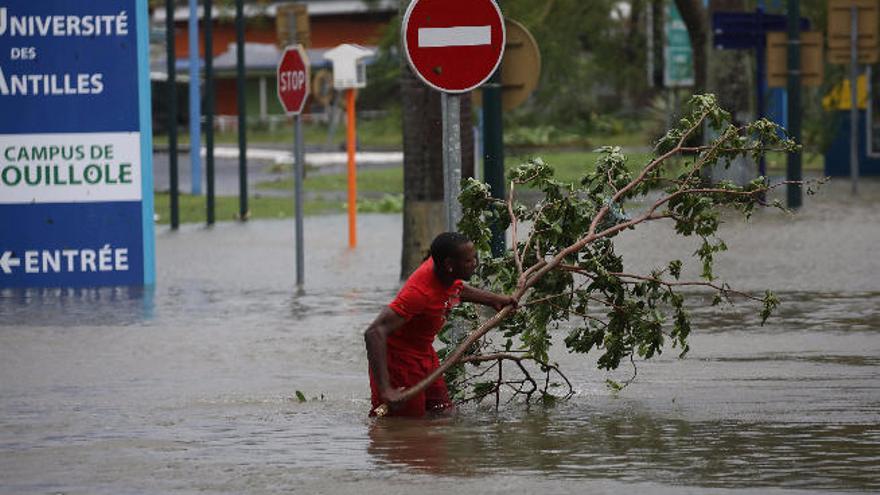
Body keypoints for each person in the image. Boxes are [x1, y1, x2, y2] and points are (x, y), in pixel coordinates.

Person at [364, 232, 516, 417]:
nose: (474, 263)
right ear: (449, 265)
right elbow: (374, 332)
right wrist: (386, 390)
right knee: (405, 424)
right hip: (399, 363)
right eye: (468, 261)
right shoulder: (419, 292)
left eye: (474, 257)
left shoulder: (444, 274)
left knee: (444, 413)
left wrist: (494, 299)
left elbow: (455, 288)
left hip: (425, 354)